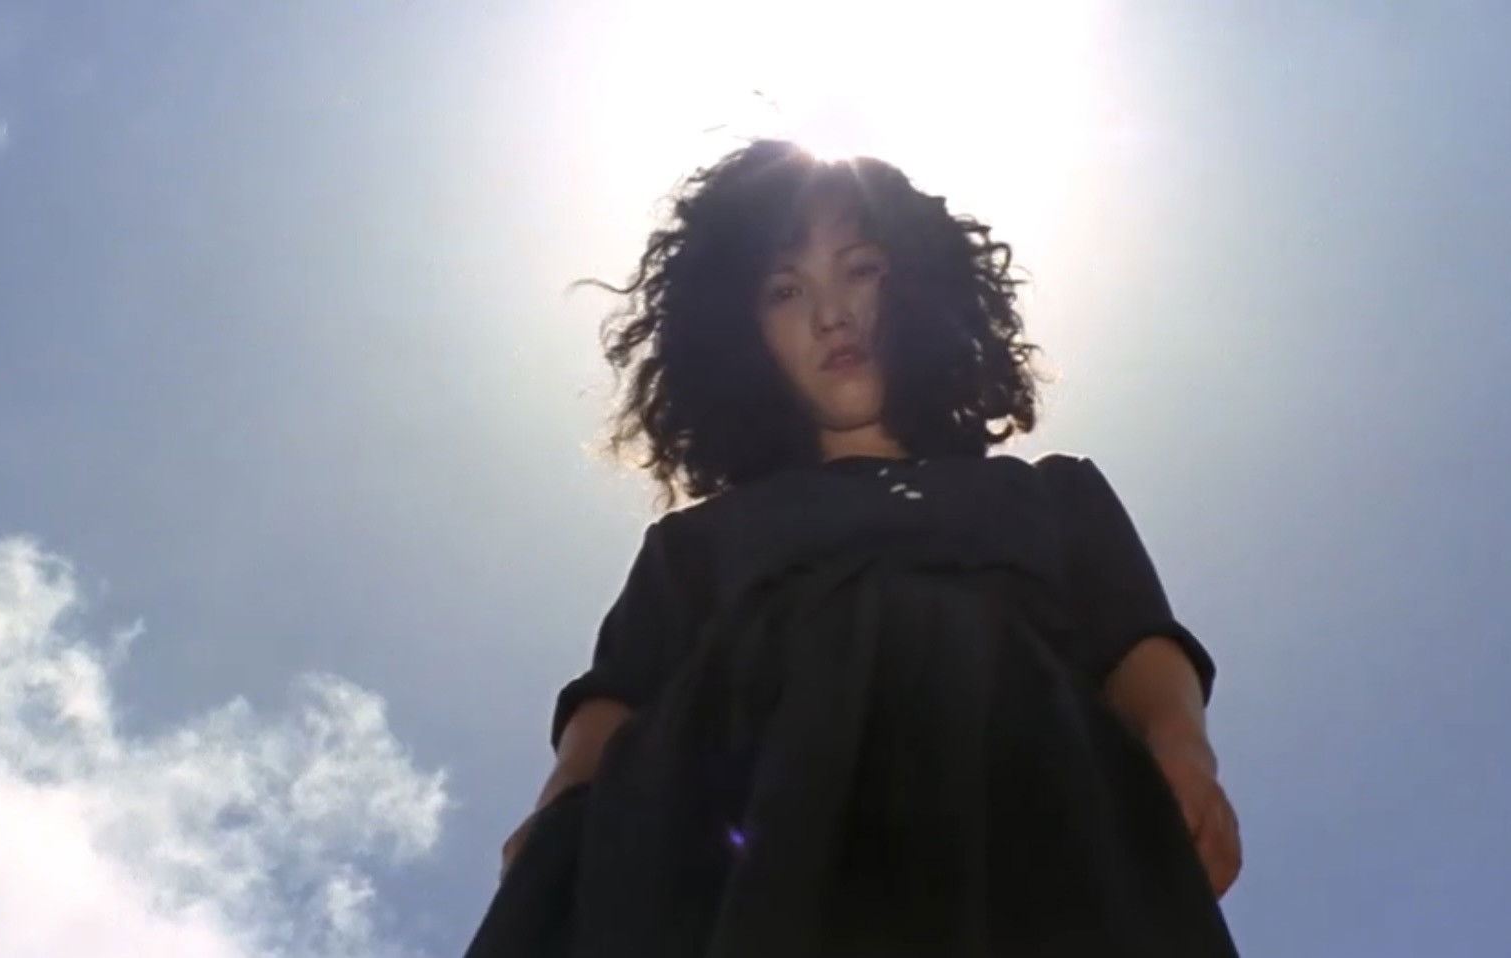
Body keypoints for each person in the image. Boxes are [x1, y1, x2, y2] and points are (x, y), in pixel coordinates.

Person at [464, 139, 1241, 957]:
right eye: (785, 290)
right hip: (726, 846)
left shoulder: (1050, 492)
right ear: (741, 335)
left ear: (920, 283)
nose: (830, 314)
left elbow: (1135, 638)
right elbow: (617, 696)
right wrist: (552, 824)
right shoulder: (695, 540)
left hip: (1035, 817)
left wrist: (1182, 749)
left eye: (860, 269)